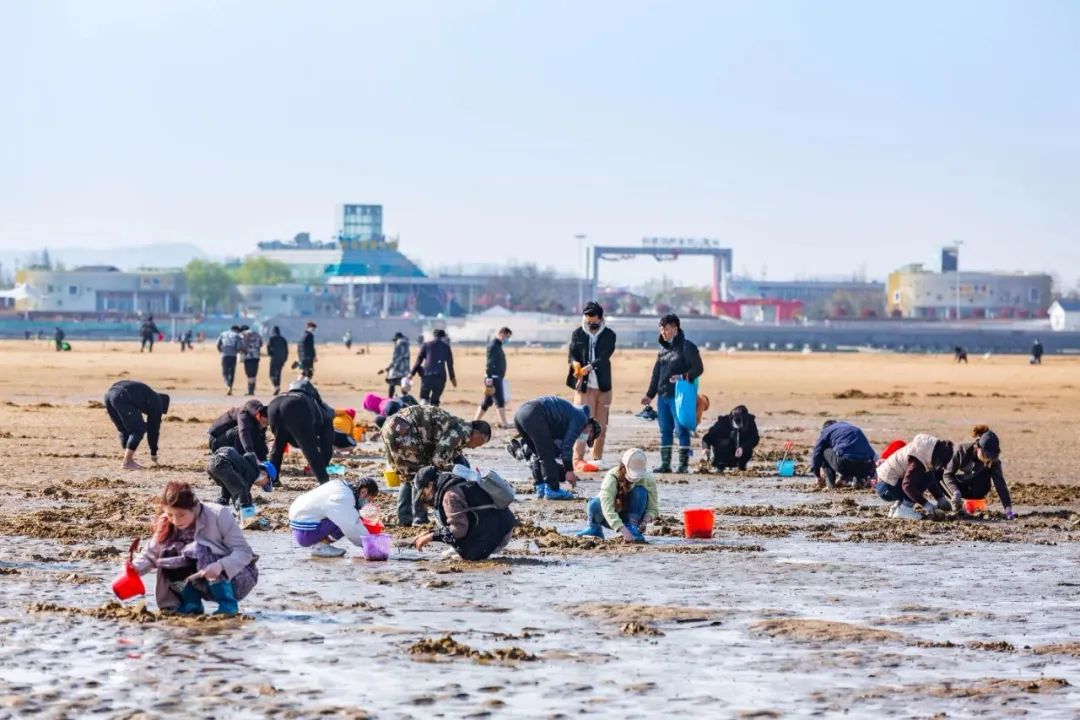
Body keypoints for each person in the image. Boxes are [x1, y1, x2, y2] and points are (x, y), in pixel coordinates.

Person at [131, 480, 257, 615]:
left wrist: (221, 565)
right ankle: (191, 604)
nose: (176, 521)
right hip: (199, 581)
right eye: (170, 515)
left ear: (193, 507)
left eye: (181, 515)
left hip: (236, 579)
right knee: (168, 555)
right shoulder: (167, 522)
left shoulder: (218, 514)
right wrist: (130, 571)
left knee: (200, 548)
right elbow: (150, 554)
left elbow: (244, 552)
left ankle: (228, 605)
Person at [381, 404, 491, 526]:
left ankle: (404, 519)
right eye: (481, 442)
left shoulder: (457, 426)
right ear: (477, 434)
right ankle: (419, 520)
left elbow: (450, 453)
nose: (476, 447)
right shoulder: (462, 432)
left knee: (407, 476)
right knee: (419, 475)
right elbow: (438, 460)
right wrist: (453, 470)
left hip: (393, 426)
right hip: (405, 431)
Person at [640, 313, 704, 474]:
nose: (663, 332)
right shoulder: (663, 348)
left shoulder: (687, 347)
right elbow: (657, 374)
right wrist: (649, 395)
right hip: (663, 397)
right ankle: (665, 464)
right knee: (665, 431)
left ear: (675, 329)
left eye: (666, 329)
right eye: (661, 329)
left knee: (681, 430)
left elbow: (698, 368)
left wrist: (683, 376)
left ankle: (683, 465)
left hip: (680, 397)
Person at [411, 466, 517, 561]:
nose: (424, 497)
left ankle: (480, 551)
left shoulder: (449, 496)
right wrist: (429, 532)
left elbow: (459, 530)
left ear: (430, 485)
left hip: (500, 534)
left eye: (423, 492)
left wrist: (431, 537)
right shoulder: (452, 480)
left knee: (468, 555)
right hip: (503, 526)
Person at [513, 395, 601, 500]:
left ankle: (541, 486)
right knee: (547, 454)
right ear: (590, 427)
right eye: (589, 437)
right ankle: (553, 490)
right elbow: (567, 447)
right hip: (535, 413)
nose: (585, 438)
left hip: (520, 414)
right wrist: (569, 470)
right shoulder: (581, 419)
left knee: (538, 454)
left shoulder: (568, 419)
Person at [567, 302, 617, 473]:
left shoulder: (609, 335)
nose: (590, 324)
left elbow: (604, 356)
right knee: (582, 423)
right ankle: (577, 459)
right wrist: (575, 364)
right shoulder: (578, 333)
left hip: (603, 387)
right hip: (583, 387)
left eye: (593, 321)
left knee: (601, 425)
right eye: (587, 321)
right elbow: (572, 353)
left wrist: (588, 367)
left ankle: (596, 458)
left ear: (600, 318)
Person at [575, 448, 659, 543]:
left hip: (634, 515)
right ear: (624, 467)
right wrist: (623, 530)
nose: (635, 478)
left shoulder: (648, 479)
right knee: (594, 503)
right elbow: (607, 508)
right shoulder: (612, 477)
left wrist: (644, 522)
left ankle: (632, 527)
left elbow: (653, 508)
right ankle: (594, 529)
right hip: (610, 516)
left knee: (640, 492)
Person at [288, 477, 379, 557]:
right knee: (346, 520)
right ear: (363, 492)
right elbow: (352, 526)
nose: (367, 503)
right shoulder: (343, 497)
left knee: (347, 515)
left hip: (298, 523)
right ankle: (321, 547)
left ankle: (320, 545)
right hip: (305, 532)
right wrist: (370, 545)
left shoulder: (340, 485)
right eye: (369, 500)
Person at [267, 378, 336, 484]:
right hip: (295, 406)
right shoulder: (323, 411)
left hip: (274, 404)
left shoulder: (289, 396)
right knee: (310, 450)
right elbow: (327, 443)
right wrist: (324, 465)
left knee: (278, 447)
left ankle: (272, 481)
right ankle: (324, 482)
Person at [940, 425, 1015, 519]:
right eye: (985, 455)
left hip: (977, 492)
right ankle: (943, 501)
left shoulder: (993, 461)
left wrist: (1008, 509)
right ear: (978, 447)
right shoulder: (962, 450)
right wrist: (955, 492)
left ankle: (969, 504)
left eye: (990, 457)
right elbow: (947, 474)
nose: (987, 459)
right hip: (959, 489)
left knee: (986, 473)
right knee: (938, 472)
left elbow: (1000, 485)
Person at [875, 433, 955, 519]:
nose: (940, 466)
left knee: (928, 475)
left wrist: (940, 498)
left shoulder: (928, 450)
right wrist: (926, 505)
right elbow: (907, 486)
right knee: (923, 479)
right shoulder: (918, 460)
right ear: (938, 458)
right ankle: (904, 509)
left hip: (888, 484)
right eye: (941, 464)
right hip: (886, 488)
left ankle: (897, 507)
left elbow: (930, 478)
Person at [103, 380, 171, 470]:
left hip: (109, 395)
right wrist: (153, 453)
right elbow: (153, 431)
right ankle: (127, 461)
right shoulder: (157, 404)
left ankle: (127, 456)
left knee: (124, 430)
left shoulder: (146, 396)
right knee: (138, 430)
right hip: (123, 396)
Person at [206, 447, 276, 527]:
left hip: (212, 465)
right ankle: (247, 519)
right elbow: (244, 492)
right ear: (264, 474)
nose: (262, 486)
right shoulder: (253, 471)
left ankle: (213, 514)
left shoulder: (247, 464)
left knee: (227, 493)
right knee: (242, 490)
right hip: (223, 464)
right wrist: (248, 511)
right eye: (266, 483)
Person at [810, 420, 878, 489]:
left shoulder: (826, 431)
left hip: (845, 464)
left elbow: (816, 453)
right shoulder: (854, 429)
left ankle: (830, 485)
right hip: (866, 468)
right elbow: (873, 455)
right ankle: (859, 481)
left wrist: (817, 475)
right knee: (855, 453)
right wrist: (873, 475)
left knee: (824, 450)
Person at [702, 405, 760, 472]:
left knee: (747, 447)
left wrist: (743, 448)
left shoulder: (750, 422)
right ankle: (720, 465)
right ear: (732, 419)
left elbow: (754, 438)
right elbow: (708, 437)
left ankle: (742, 465)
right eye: (738, 421)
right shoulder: (722, 423)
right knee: (724, 443)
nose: (741, 425)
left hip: (742, 453)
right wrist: (706, 448)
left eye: (744, 423)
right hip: (723, 453)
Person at [475, 327, 513, 428]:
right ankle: (504, 423)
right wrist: (489, 377)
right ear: (501, 334)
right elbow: (489, 363)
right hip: (493, 377)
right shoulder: (493, 345)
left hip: (496, 377)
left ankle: (475, 421)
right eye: (507, 336)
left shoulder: (498, 345)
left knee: (487, 401)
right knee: (500, 400)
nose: (507, 339)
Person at [410, 328, 456, 406]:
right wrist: (452, 379)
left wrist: (411, 374)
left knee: (424, 398)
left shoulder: (426, 345)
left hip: (427, 375)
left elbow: (418, 361)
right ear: (444, 336)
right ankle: (433, 411)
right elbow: (450, 365)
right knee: (435, 401)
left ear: (434, 336)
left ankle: (423, 411)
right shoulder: (446, 347)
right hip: (440, 377)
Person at [379, 332, 411, 397]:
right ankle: (406, 399)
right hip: (405, 369)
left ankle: (390, 398)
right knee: (403, 384)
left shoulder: (398, 344)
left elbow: (395, 359)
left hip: (397, 369)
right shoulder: (407, 344)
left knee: (392, 383)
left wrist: (388, 367)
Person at [216, 325, 243, 395]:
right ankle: (230, 386)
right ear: (237, 330)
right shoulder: (237, 335)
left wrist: (221, 351)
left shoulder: (223, 334)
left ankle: (227, 384)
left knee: (225, 372)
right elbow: (239, 346)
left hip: (224, 355)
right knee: (231, 372)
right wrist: (236, 351)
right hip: (233, 356)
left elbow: (218, 344)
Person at [239, 325, 263, 396]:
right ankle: (252, 389)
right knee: (254, 373)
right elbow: (261, 343)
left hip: (248, 357)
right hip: (256, 356)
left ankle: (250, 390)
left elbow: (242, 345)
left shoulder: (243, 335)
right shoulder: (257, 334)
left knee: (249, 374)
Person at [266, 326, 289, 396]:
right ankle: (277, 386)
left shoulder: (271, 338)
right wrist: (285, 359)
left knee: (271, 374)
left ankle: (276, 386)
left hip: (274, 358)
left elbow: (268, 347)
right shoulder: (283, 339)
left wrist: (270, 354)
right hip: (281, 358)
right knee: (278, 373)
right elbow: (286, 350)